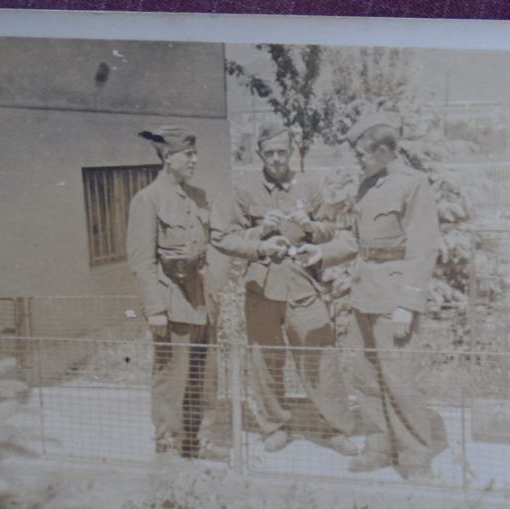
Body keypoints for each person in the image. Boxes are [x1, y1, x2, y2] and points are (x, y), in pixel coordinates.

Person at [297, 113, 447, 478]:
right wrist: (321, 253)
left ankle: (415, 458)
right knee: (367, 379)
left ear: (382, 150)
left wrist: (408, 304)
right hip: (364, 294)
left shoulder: (413, 184)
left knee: (401, 381)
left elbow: (423, 248)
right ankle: (379, 447)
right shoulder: (368, 184)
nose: (357, 160)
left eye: (362, 153)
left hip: (394, 299)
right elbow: (356, 240)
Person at [210, 122, 357, 456]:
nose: (276, 159)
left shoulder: (310, 186)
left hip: (303, 286)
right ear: (259, 154)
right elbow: (225, 238)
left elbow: (332, 230)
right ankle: (274, 426)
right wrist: (261, 236)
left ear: (292, 151)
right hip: (261, 289)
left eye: (281, 152)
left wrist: (311, 226)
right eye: (269, 153)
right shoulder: (245, 190)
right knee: (265, 360)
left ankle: (336, 427)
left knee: (320, 357)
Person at [126, 125, 227, 461]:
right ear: (168, 157)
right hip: (171, 303)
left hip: (202, 301)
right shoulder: (147, 200)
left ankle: (199, 442)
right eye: (188, 155)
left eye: (195, 154)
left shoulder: (199, 196)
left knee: (205, 376)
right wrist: (155, 309)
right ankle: (167, 445)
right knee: (171, 378)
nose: (195, 160)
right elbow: (142, 262)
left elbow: (218, 242)